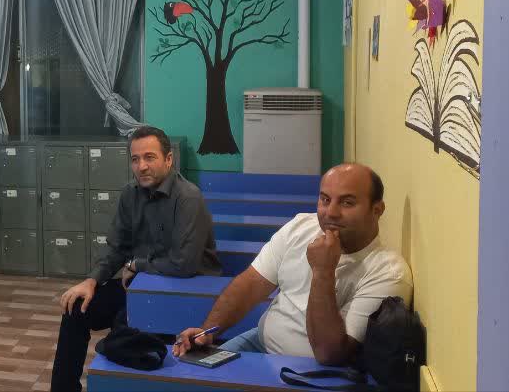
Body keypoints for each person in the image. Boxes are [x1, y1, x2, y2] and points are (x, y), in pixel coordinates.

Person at [173, 163, 413, 366]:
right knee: (190, 374)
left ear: (377, 210)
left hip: (310, 369)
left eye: (347, 203)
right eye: (325, 199)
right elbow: (251, 284)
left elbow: (330, 354)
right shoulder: (301, 226)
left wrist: (323, 271)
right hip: (260, 340)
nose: (331, 212)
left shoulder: (388, 272)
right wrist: (207, 332)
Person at [51, 125, 221, 392]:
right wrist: (91, 281)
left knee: (124, 327)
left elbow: (183, 265)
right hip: (142, 286)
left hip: (184, 292)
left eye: (149, 157)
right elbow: (117, 247)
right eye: (135, 159)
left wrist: (136, 265)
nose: (141, 166)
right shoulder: (130, 194)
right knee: (76, 308)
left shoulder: (188, 198)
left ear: (168, 159)